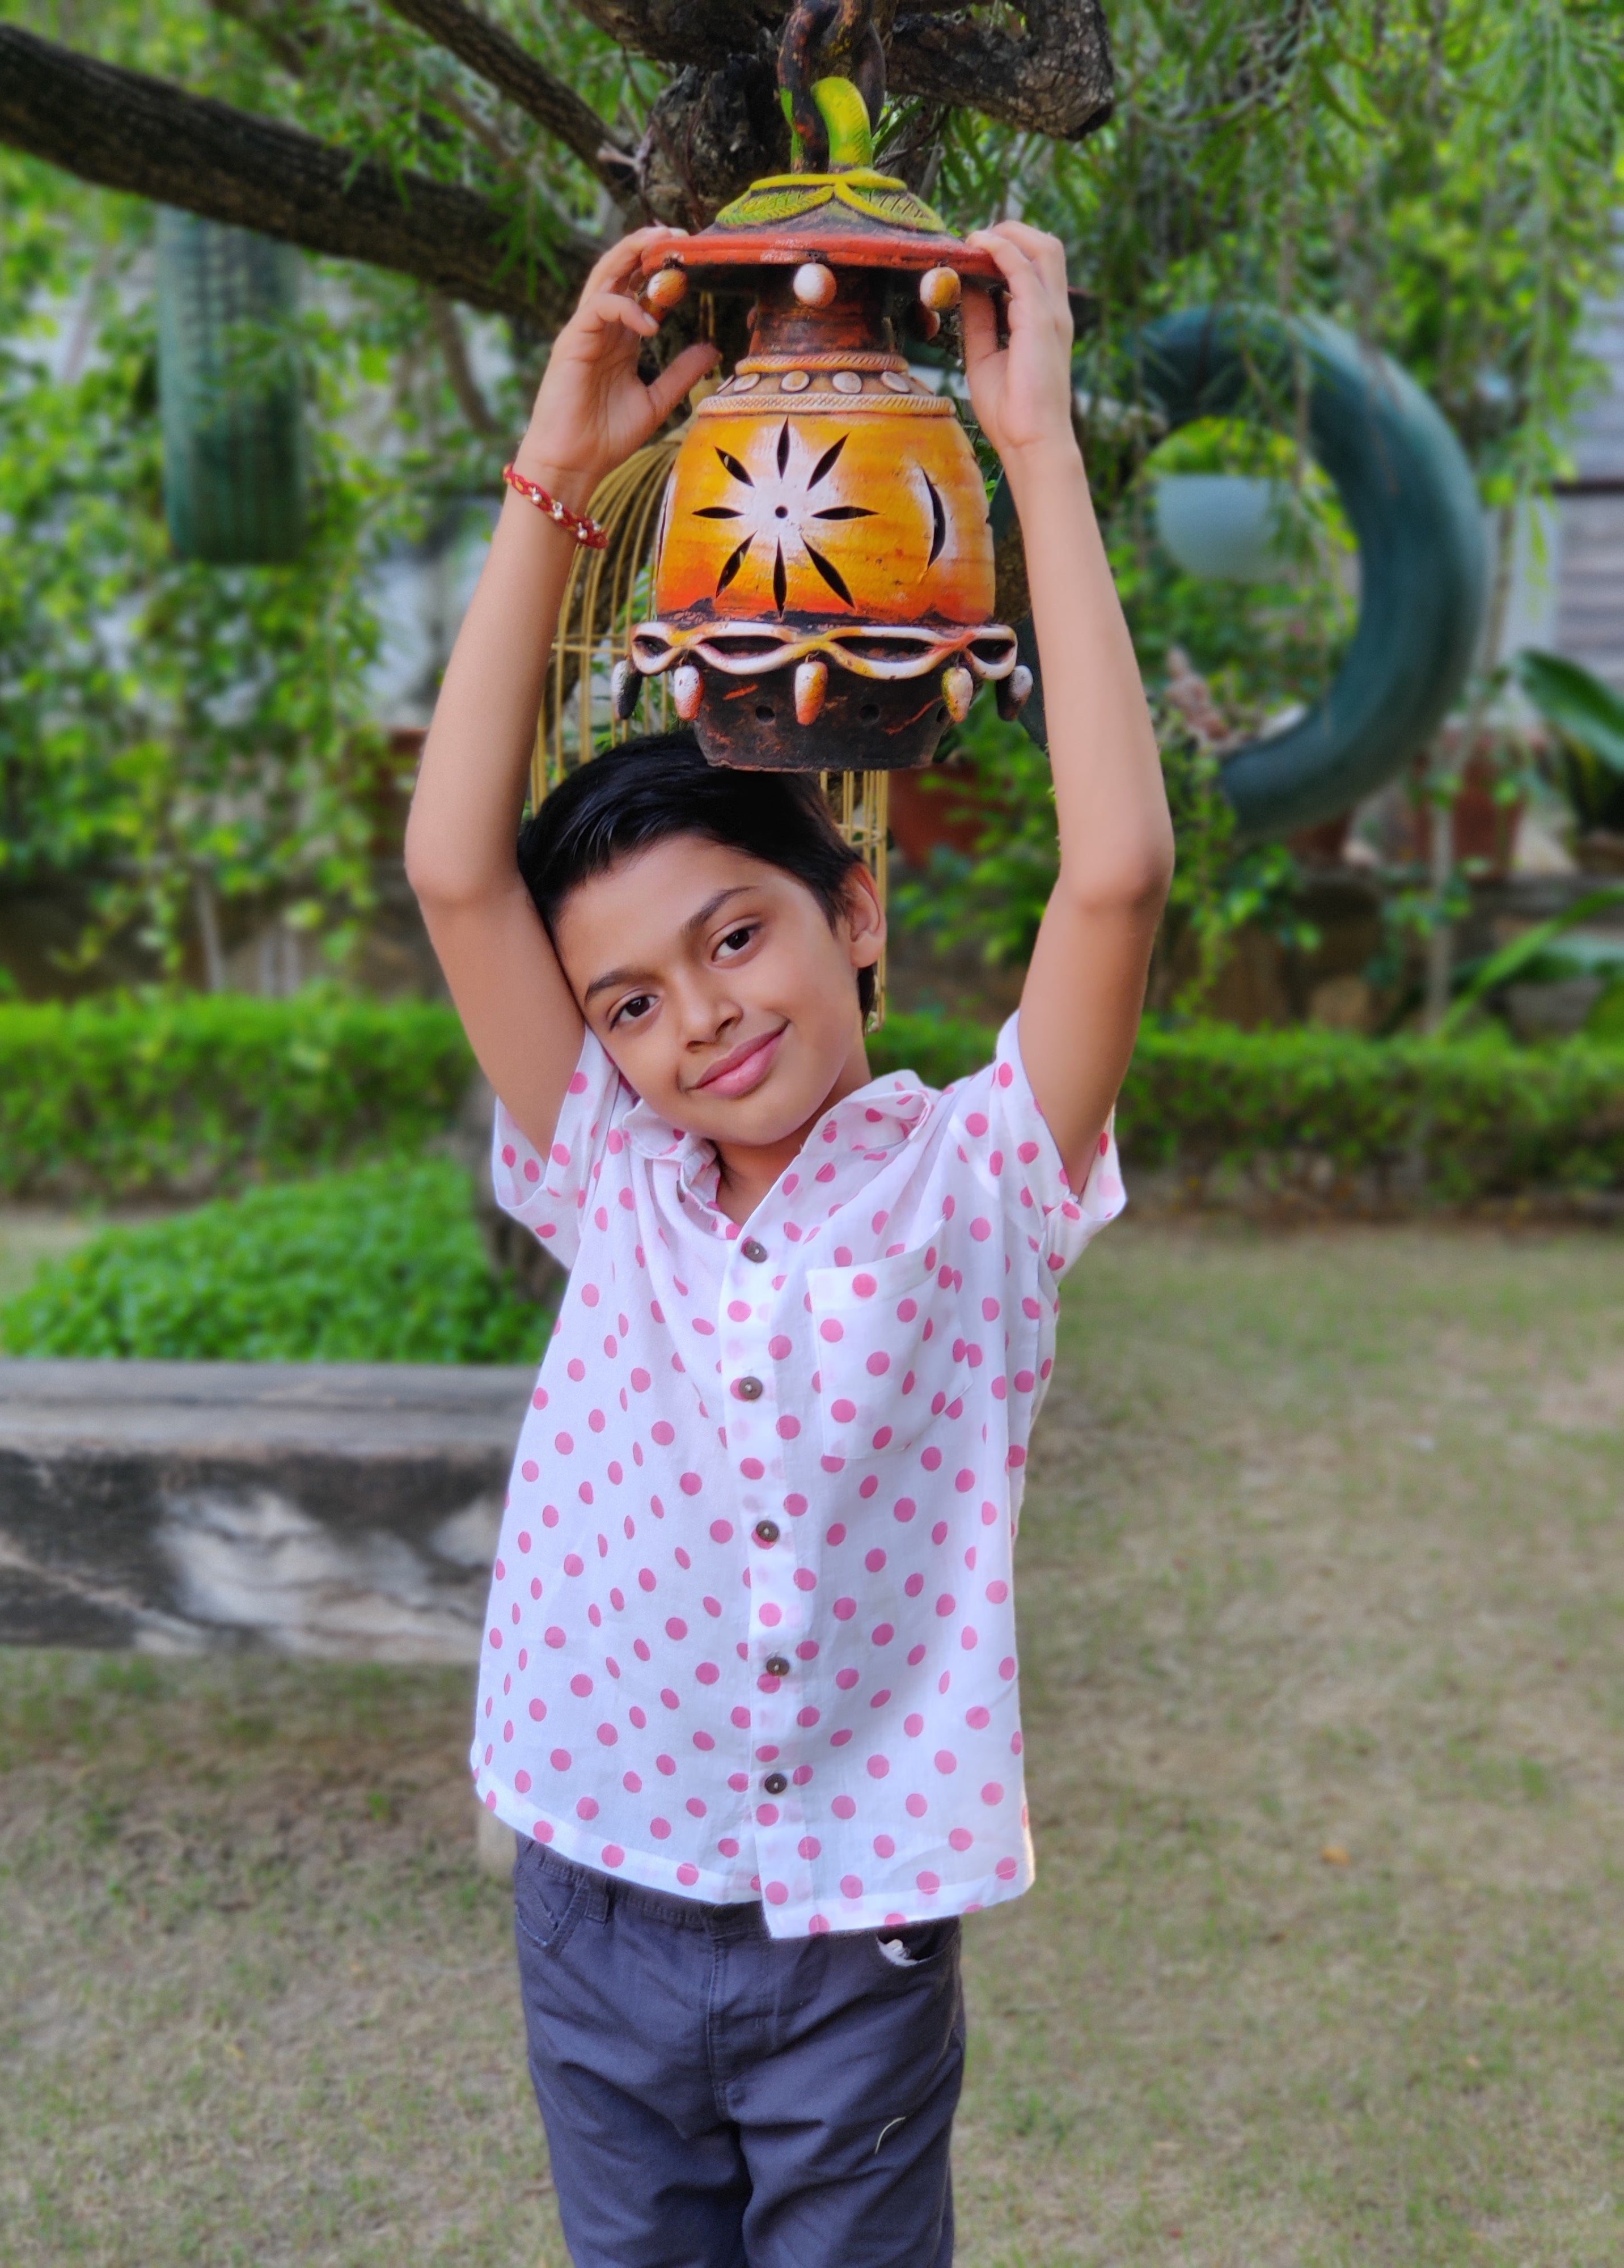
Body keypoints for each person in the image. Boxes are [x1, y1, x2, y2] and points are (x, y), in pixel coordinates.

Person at [405, 220, 1174, 2268]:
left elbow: (1117, 875)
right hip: (594, 1893)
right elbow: (452, 866)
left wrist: (1031, 448)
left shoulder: (979, 1190)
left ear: (852, 912)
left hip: (855, 1935)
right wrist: (559, 473)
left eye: (733, 935)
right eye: (632, 1000)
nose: (696, 1019)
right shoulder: (610, 1177)